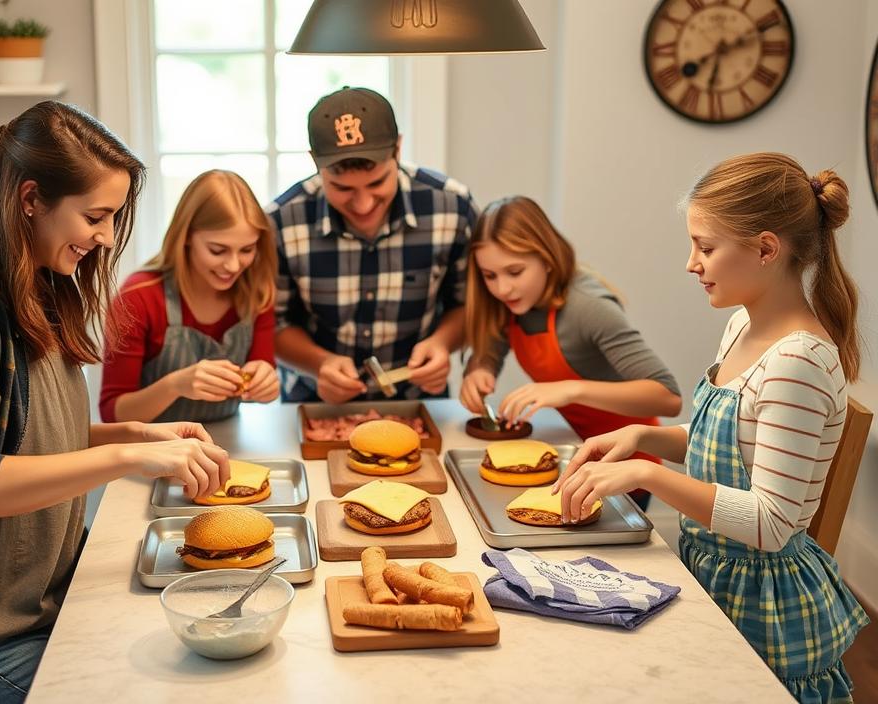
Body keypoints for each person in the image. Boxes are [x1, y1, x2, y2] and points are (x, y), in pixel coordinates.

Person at [0, 101, 231, 704]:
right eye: (96, 215)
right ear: (31, 199)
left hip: (38, 609)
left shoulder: (35, 282)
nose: (108, 236)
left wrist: (135, 437)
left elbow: (26, 437)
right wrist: (124, 463)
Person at [555, 153, 869, 702]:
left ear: (766, 249)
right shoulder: (742, 325)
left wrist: (646, 475)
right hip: (713, 570)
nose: (691, 263)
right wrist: (645, 438)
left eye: (705, 247)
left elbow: (771, 523)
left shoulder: (799, 362)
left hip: (764, 605)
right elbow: (734, 447)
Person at [460, 196, 682, 509]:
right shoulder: (511, 301)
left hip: (622, 465)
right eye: (490, 276)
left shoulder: (588, 308)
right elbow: (490, 350)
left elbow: (668, 397)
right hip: (573, 453)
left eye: (514, 271)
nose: (502, 288)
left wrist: (571, 389)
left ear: (547, 258)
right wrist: (479, 370)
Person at [267, 86, 480, 403]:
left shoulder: (452, 206)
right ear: (315, 163)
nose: (363, 204)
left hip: (419, 402)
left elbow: (472, 304)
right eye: (341, 188)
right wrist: (320, 363)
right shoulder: (282, 220)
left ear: (397, 149)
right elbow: (272, 323)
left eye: (378, 182)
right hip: (314, 402)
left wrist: (442, 343)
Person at [100, 170, 279, 424]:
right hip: (152, 452)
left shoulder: (257, 293)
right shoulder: (138, 299)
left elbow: (262, 371)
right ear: (186, 238)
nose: (233, 265)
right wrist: (175, 385)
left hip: (227, 442)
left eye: (247, 250)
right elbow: (113, 414)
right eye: (218, 250)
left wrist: (266, 382)